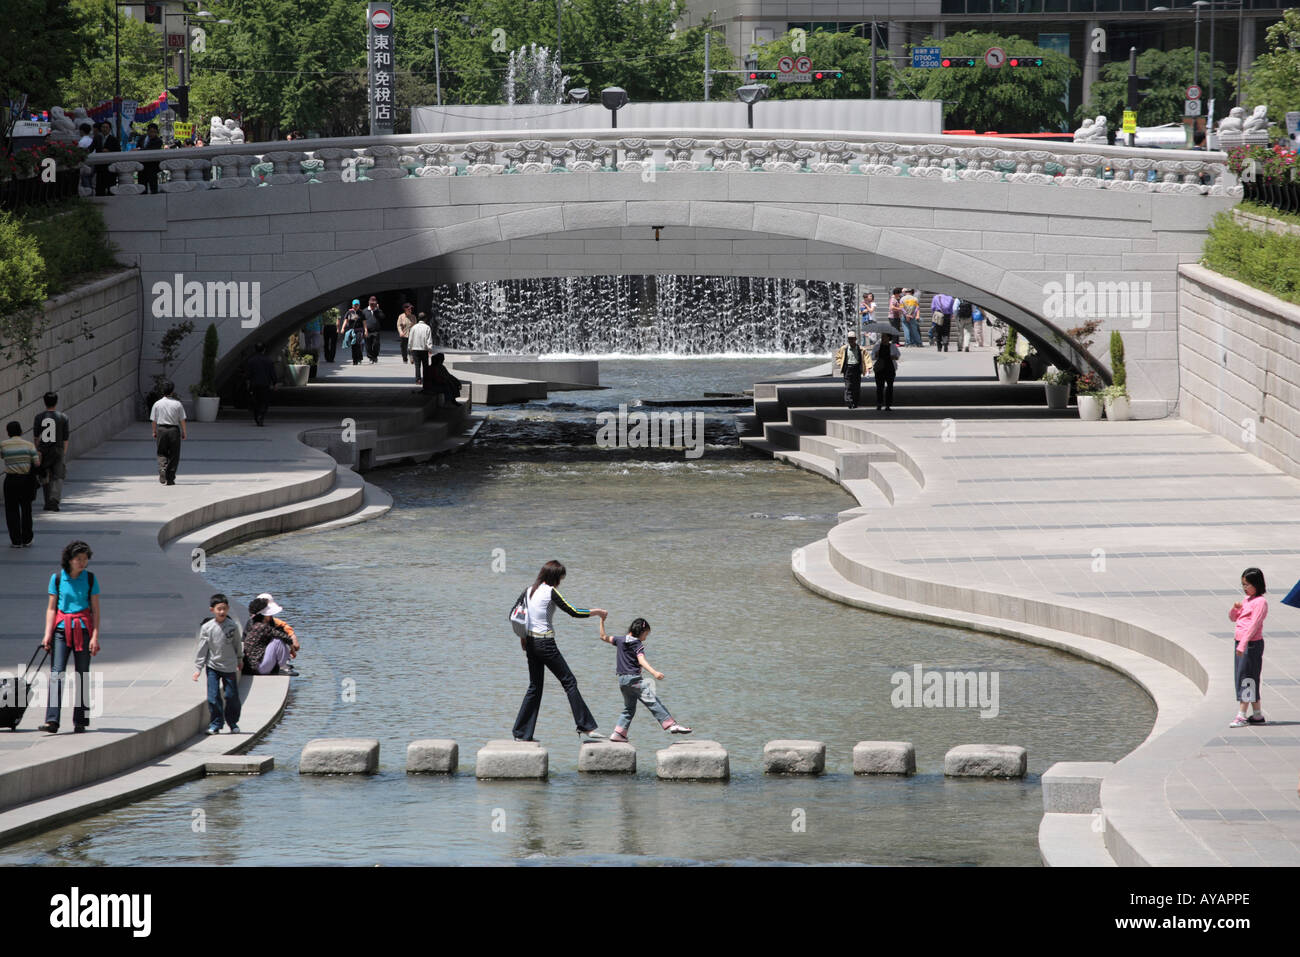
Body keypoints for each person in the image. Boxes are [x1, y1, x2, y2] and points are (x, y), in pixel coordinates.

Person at [512, 560, 607, 744]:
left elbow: (518, 615)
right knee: (569, 681)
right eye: (561, 578)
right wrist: (597, 612)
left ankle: (521, 733)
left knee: (535, 687)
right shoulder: (550, 592)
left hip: (530, 643)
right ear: (555, 577)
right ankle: (585, 726)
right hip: (545, 644)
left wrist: (523, 638)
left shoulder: (528, 590)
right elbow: (573, 611)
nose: (560, 582)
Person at [38, 541, 101, 733]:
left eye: (85, 559)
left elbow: (96, 611)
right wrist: (47, 634)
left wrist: (95, 636)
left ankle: (81, 720)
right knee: (57, 673)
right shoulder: (57, 579)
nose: (82, 563)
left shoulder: (90, 579)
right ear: (69, 560)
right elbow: (51, 609)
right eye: (78, 559)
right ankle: (52, 720)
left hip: (83, 630)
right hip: (60, 631)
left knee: (83, 674)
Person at [598, 616, 691, 742]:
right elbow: (641, 660)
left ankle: (618, 733)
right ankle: (671, 725)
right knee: (652, 701)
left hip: (622, 681)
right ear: (641, 632)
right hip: (634, 680)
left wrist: (602, 620)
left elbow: (603, 636)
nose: (645, 638)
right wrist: (654, 672)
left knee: (629, 708)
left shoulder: (619, 640)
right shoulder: (637, 644)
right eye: (646, 634)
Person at [192, 593, 243, 734]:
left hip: (229, 666)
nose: (222, 612)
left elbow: (237, 644)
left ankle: (232, 722)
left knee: (231, 696)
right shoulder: (207, 628)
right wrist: (198, 668)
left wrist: (240, 659)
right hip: (212, 666)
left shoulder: (232, 626)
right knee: (213, 696)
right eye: (219, 609)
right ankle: (216, 724)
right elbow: (202, 648)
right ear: (212, 610)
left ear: (228, 609)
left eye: (224, 609)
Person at [1229, 567, 1268, 728]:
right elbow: (1233, 618)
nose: (1245, 588)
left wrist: (1243, 644)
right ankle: (1257, 714)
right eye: (1243, 584)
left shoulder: (1260, 602)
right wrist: (1235, 609)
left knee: (1246, 678)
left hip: (1250, 645)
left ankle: (1242, 715)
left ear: (1256, 584)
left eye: (1247, 584)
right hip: (1241, 643)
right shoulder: (1247, 600)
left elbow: (1254, 625)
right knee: (1247, 676)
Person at [2, 422, 40, 548]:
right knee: (26, 509)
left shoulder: (3, 445)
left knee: (11, 510)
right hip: (26, 481)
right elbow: (37, 463)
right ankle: (27, 539)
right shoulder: (29, 445)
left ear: (8, 432)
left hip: (10, 480)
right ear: (21, 431)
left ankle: (16, 541)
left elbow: (2, 456)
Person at [242, 596, 298, 676]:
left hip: (252, 668)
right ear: (265, 615)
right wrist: (292, 649)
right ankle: (283, 667)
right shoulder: (262, 627)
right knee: (277, 641)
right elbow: (284, 637)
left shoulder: (255, 624)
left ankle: (282, 664)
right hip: (258, 669)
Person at [33, 392, 70, 511]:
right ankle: (54, 500)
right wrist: (63, 453)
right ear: (56, 402)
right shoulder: (63, 417)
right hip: (58, 449)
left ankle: (47, 501)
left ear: (44, 402)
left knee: (44, 475)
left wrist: (38, 451)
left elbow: (36, 438)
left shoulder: (39, 417)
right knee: (58, 476)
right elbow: (65, 439)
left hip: (43, 450)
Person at [149, 380, 187, 485]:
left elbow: (153, 420)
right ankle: (170, 478)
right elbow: (182, 420)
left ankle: (162, 468)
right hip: (174, 430)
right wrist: (184, 432)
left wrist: (154, 431)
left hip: (161, 429)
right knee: (174, 454)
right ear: (172, 391)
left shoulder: (157, 404)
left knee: (161, 452)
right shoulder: (177, 404)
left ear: (163, 391)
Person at [254, 592, 300, 659]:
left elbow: (295, 644)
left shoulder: (272, 621)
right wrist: (292, 649)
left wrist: (292, 636)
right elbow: (293, 643)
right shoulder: (259, 624)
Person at [833, 330, 868, 409]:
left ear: (855, 339)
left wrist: (867, 367)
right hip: (848, 368)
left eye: (852, 338)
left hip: (857, 368)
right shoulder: (844, 348)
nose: (851, 340)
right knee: (848, 386)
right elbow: (838, 357)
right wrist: (840, 363)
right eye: (849, 339)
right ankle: (849, 401)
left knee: (856, 387)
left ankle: (855, 402)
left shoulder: (861, 349)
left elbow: (866, 358)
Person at [245, 342, 277, 427]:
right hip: (265, 384)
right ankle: (261, 415)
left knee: (256, 401)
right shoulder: (268, 361)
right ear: (264, 350)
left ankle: (257, 416)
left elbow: (248, 374)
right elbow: (272, 373)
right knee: (264, 401)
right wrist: (274, 383)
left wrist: (248, 384)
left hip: (254, 384)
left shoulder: (251, 361)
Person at [873, 333, 901, 412]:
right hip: (879, 369)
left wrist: (894, 357)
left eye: (884, 336)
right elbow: (872, 356)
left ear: (889, 338)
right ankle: (879, 403)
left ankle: (888, 405)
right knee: (879, 387)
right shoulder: (877, 346)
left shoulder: (893, 346)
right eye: (882, 337)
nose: (882, 338)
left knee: (890, 387)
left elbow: (898, 356)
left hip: (890, 368)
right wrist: (876, 355)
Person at [93, 121, 120, 197]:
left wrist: (109, 151)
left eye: (106, 127)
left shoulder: (114, 139)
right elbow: (91, 148)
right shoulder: (97, 138)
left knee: (111, 187)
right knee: (99, 187)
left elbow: (118, 151)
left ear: (110, 129)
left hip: (110, 167)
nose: (104, 129)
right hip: (100, 166)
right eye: (103, 127)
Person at [135, 123, 164, 194]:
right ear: (147, 131)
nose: (152, 134)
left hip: (152, 167)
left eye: (155, 132)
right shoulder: (142, 138)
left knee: (153, 187)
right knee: (142, 188)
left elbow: (151, 150)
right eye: (151, 131)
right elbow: (138, 147)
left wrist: (139, 150)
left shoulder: (158, 141)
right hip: (142, 166)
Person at [408, 312, 433, 385]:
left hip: (415, 349)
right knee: (425, 366)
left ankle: (418, 380)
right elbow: (429, 340)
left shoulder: (413, 327)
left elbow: (410, 339)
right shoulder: (427, 327)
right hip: (424, 349)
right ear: (425, 319)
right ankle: (426, 380)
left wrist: (409, 349)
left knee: (417, 365)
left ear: (418, 318)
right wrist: (430, 349)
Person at [341, 300, 365, 366]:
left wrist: (365, 330)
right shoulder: (349, 312)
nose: (356, 306)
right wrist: (343, 328)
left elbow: (364, 322)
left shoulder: (361, 312)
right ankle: (355, 360)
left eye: (357, 305)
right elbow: (345, 321)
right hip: (352, 331)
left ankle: (359, 357)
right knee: (354, 345)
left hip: (359, 330)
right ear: (352, 305)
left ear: (359, 305)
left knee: (358, 344)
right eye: (355, 305)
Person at [363, 295, 384, 364]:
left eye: (374, 303)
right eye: (371, 303)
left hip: (376, 331)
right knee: (368, 345)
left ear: (376, 303)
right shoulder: (365, 311)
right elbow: (362, 321)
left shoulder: (378, 310)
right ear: (369, 302)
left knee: (376, 344)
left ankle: (375, 356)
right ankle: (370, 357)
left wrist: (377, 310)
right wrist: (365, 330)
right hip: (367, 331)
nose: (372, 304)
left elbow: (382, 317)